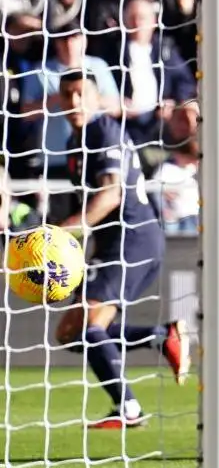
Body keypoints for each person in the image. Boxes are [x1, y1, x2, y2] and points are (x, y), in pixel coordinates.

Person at [52, 71, 188, 429]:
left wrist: (63, 235)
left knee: (91, 325)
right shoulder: (76, 140)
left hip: (133, 239)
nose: (75, 102)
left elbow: (111, 194)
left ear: (99, 99)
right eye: (67, 95)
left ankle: (128, 408)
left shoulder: (102, 132)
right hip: (115, 243)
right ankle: (161, 336)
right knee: (70, 332)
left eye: (82, 94)